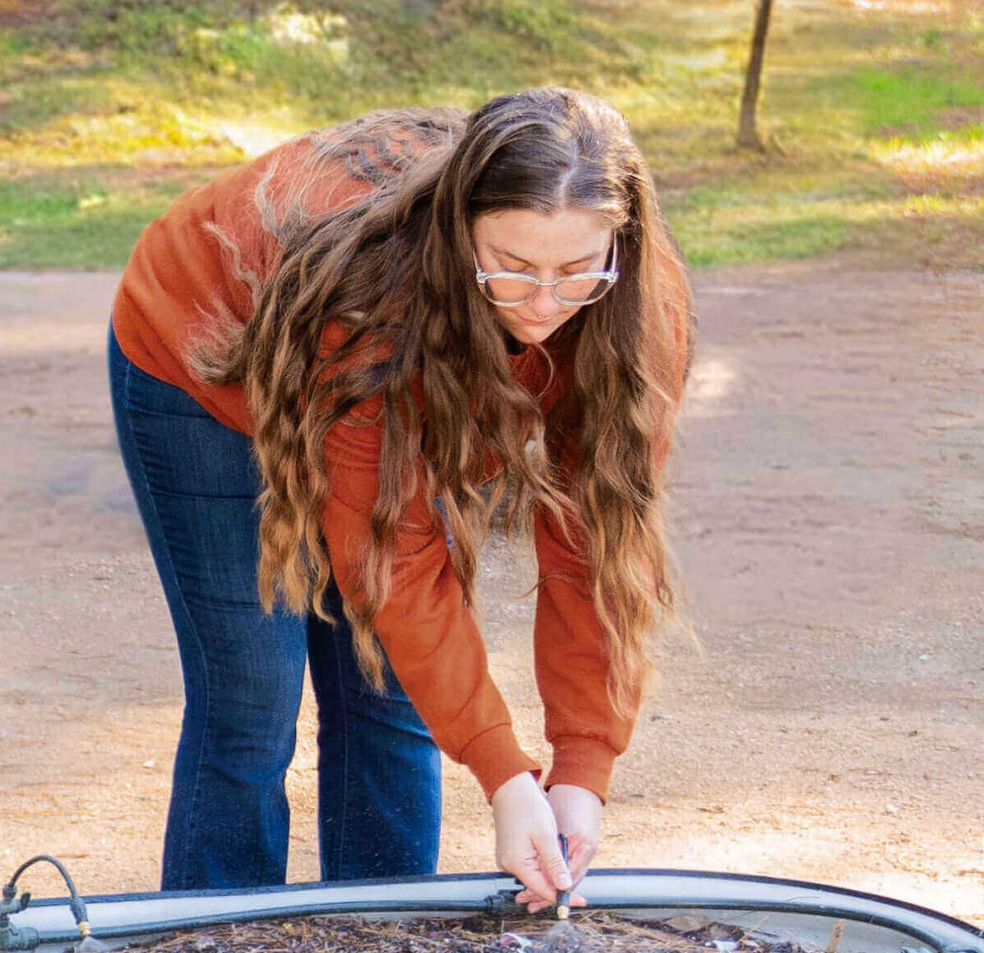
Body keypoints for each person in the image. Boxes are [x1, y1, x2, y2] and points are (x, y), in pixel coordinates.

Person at [108, 86, 693, 907]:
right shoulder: (371, 299)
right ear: (460, 233)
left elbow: (594, 546)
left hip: (391, 378)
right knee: (253, 697)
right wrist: (504, 774)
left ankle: (382, 952)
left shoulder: (639, 311)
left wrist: (579, 772)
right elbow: (394, 562)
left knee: (389, 688)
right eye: (512, 267)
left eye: (575, 272)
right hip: (205, 359)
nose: (544, 306)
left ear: (618, 245)